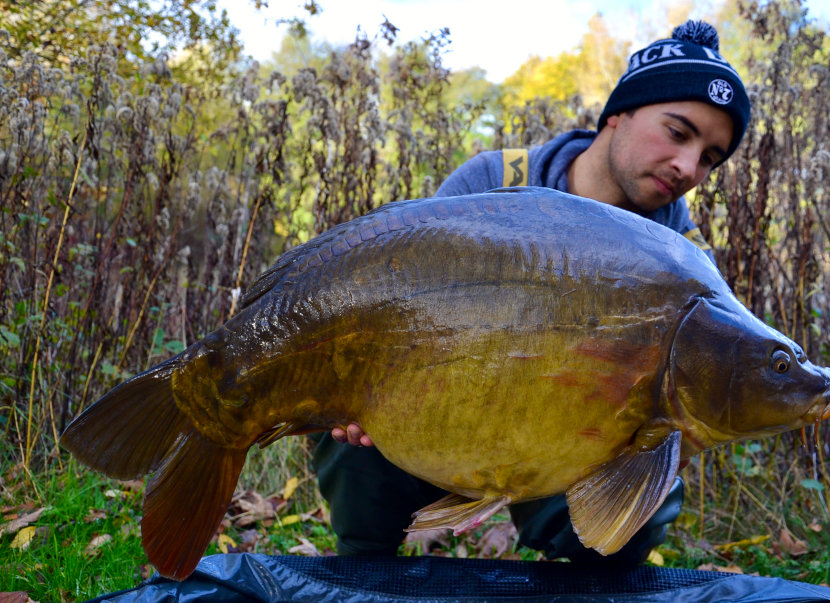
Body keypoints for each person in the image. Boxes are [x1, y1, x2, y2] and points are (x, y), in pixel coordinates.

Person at [312, 19, 750, 564]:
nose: (689, 167)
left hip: (567, 450)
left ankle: (585, 575)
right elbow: (399, 289)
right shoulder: (494, 179)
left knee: (650, 497)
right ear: (619, 113)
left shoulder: (685, 258)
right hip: (441, 417)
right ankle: (362, 568)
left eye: (710, 157)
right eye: (678, 132)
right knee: (349, 409)